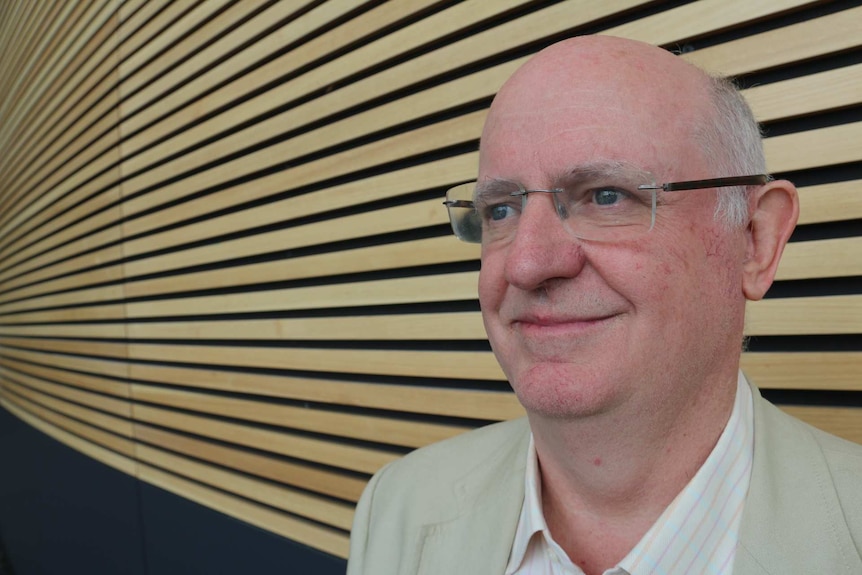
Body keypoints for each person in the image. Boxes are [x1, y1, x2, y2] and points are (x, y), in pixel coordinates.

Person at [346, 36, 862, 575]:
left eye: (607, 196)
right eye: (500, 210)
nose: (527, 263)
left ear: (754, 240)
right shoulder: (398, 505)